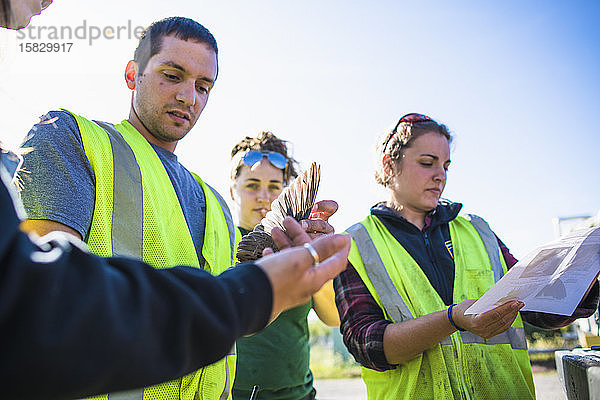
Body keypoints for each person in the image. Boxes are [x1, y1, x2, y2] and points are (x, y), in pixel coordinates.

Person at [0, 2, 352, 399]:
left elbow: (230, 319)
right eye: (172, 76)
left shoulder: (215, 204)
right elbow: (48, 306)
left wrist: (280, 273)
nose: (189, 96)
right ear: (133, 75)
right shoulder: (73, 138)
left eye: (204, 86)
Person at [333, 113, 600, 399]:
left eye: (446, 165)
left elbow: (536, 307)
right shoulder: (354, 244)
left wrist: (585, 279)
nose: (441, 175)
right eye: (427, 163)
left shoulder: (479, 230)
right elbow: (366, 345)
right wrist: (452, 319)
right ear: (389, 165)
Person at [229, 132, 339, 400]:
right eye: (252, 185)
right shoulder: (217, 238)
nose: (265, 196)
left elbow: (333, 317)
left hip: (297, 394)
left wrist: (316, 257)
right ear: (233, 191)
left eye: (275, 187)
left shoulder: (298, 243)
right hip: (231, 394)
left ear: (288, 193)